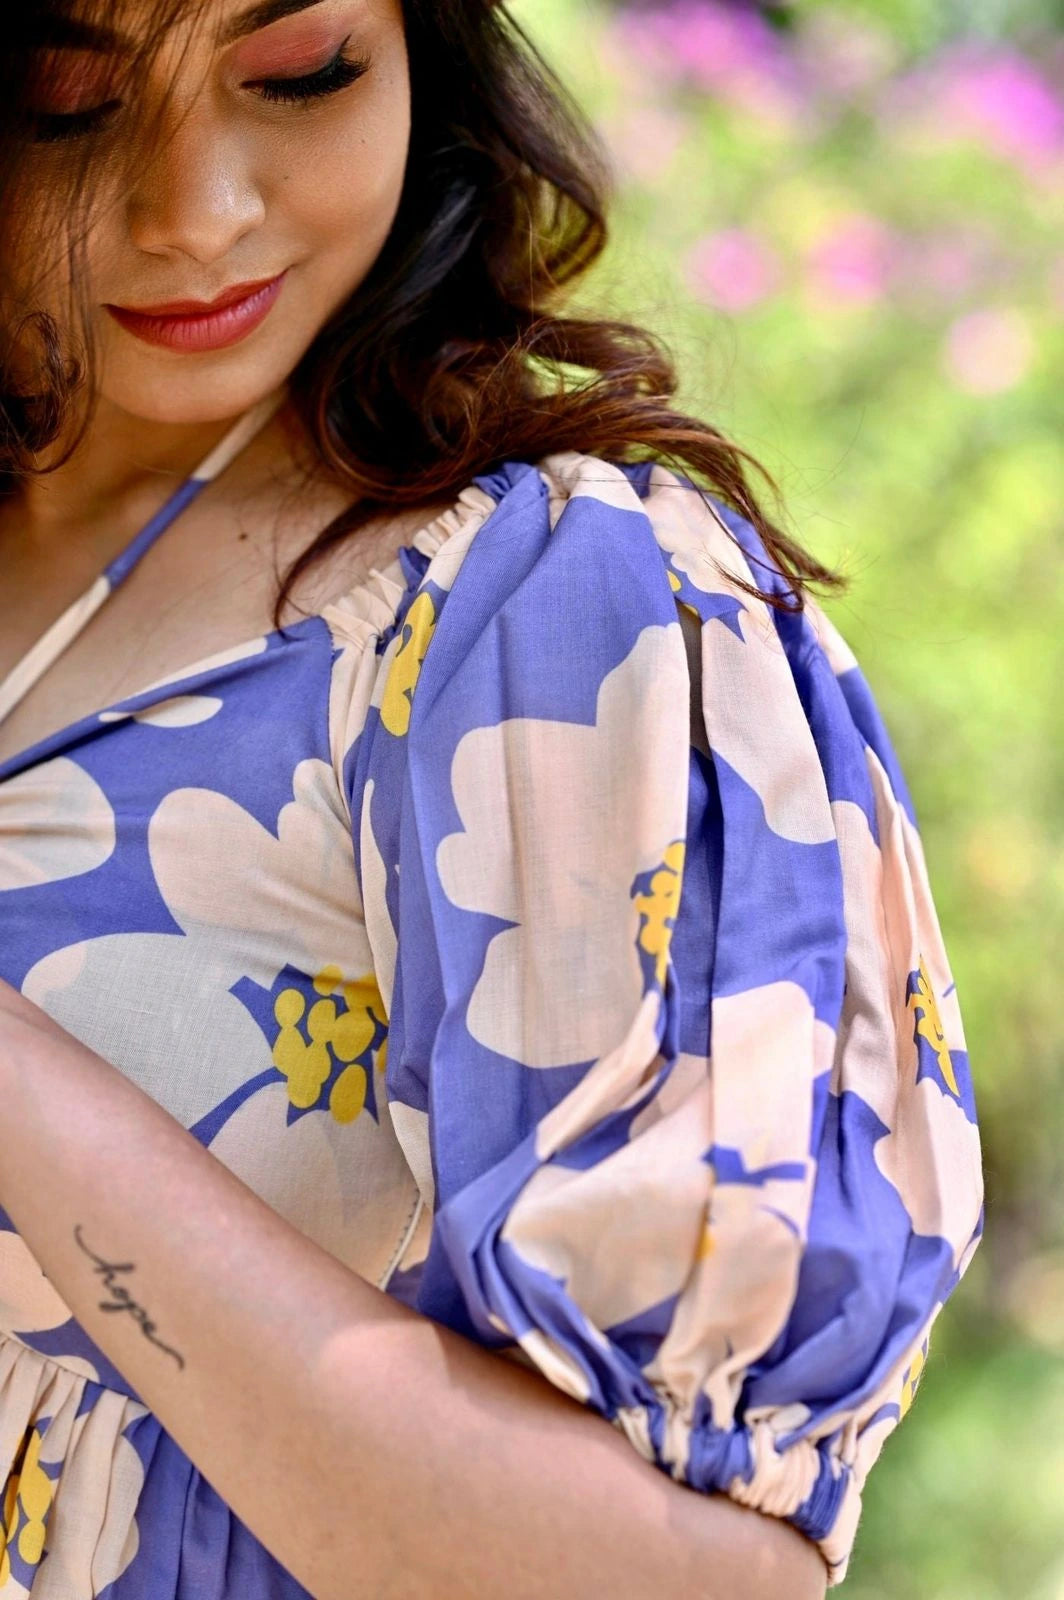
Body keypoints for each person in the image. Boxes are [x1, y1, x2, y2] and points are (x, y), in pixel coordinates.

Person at [0, 0, 984, 1595]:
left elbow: (688, 1575)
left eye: (302, 74)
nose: (196, 209)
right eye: (62, 105)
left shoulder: (539, 612)